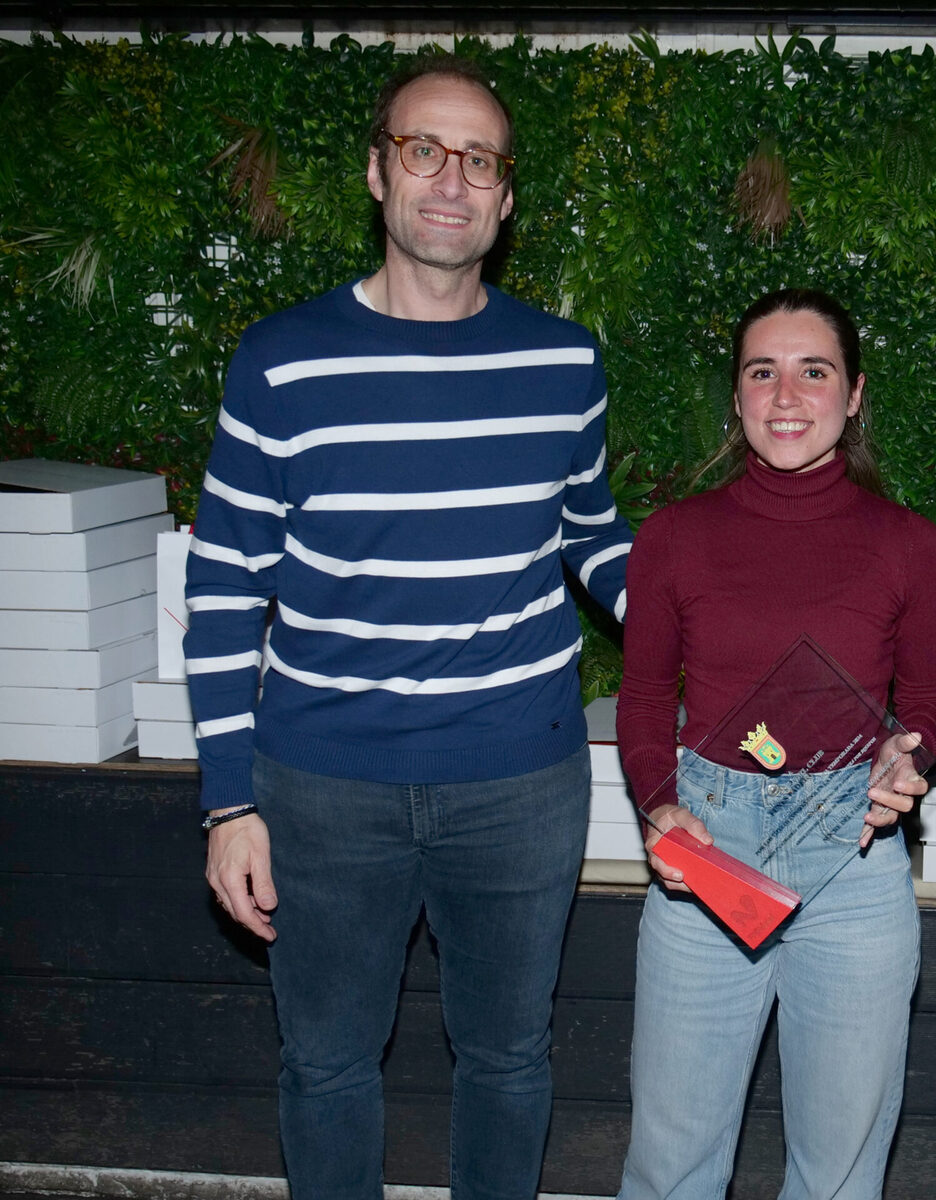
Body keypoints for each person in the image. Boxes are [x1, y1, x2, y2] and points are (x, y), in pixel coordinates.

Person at [186, 56, 631, 1200]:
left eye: (479, 160)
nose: (451, 180)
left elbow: (594, 539)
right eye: (424, 150)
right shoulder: (280, 361)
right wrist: (229, 803)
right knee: (326, 1066)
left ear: (506, 197)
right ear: (378, 173)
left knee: (510, 1059)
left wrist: (710, 635)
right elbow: (224, 586)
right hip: (323, 789)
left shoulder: (565, 362)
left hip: (520, 782)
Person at [614, 289, 936, 1200]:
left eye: (815, 371)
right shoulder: (674, 538)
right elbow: (644, 698)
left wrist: (908, 754)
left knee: (838, 1173)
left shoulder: (910, 545)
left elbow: (927, 698)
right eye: (763, 372)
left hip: (855, 862)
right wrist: (660, 804)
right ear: (737, 395)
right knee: (670, 1166)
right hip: (707, 855)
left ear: (854, 394)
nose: (787, 395)